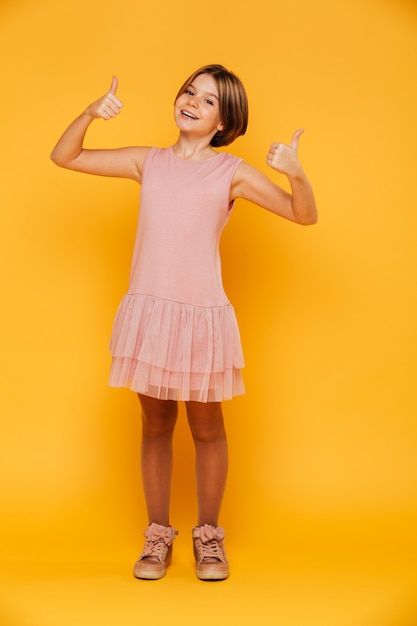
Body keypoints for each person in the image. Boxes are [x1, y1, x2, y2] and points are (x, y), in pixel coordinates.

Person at [50, 64, 317, 581]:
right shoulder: (147, 162)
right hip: (150, 312)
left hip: (201, 318)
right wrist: (89, 113)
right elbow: (66, 156)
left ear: (224, 121)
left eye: (209, 100)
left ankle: (209, 540)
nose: (193, 101)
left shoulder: (231, 172)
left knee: (207, 429)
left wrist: (297, 173)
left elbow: (302, 215)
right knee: (154, 424)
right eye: (190, 90)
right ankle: (157, 537)